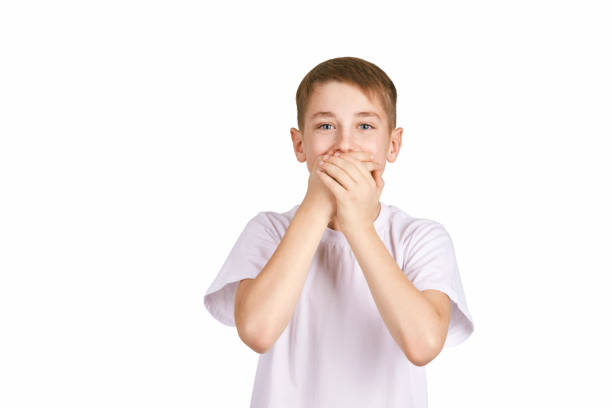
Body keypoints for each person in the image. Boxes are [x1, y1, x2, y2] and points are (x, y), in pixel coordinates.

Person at [203, 56, 475, 407]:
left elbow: (422, 344)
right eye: (326, 127)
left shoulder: (420, 237)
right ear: (300, 144)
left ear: (393, 144)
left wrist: (358, 226)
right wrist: (317, 206)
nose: (345, 145)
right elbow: (257, 331)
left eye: (364, 126)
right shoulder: (268, 231)